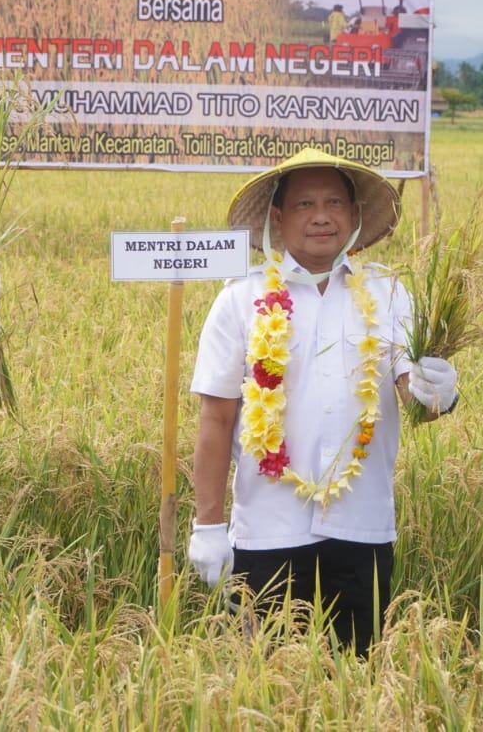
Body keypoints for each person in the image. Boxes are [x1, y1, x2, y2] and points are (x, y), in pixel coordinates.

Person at [187, 148, 459, 656]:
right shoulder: (240, 299)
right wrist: (207, 525)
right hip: (268, 530)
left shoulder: (389, 293)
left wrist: (436, 388)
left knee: (359, 678)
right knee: (263, 686)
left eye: (334, 202)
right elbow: (217, 418)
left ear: (355, 217)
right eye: (304, 204)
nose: (321, 216)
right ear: (276, 219)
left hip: (362, 525)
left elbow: (413, 393)